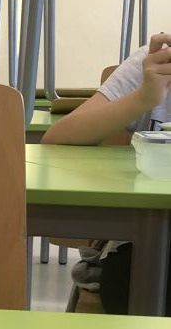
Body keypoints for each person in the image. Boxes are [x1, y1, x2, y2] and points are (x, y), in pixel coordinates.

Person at [42, 31, 171, 314]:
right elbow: (57, 139)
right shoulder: (156, 62)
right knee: (130, 276)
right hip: (145, 252)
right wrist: (143, 98)